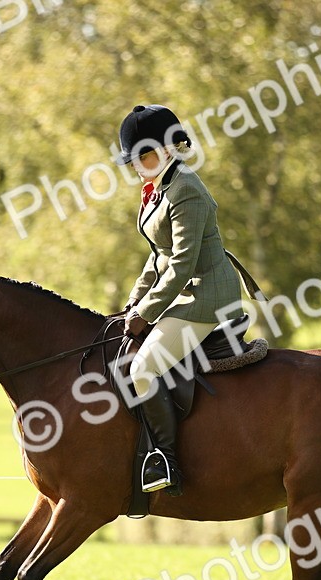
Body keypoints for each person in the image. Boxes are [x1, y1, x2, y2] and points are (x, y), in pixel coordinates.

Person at [117, 104, 244, 495]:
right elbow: (158, 256)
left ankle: (164, 460)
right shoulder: (159, 188)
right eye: (133, 159)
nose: (136, 166)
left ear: (168, 148)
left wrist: (147, 312)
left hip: (205, 298)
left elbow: (182, 265)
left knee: (143, 369)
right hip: (184, 293)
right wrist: (133, 304)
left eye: (143, 156)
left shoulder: (185, 189)